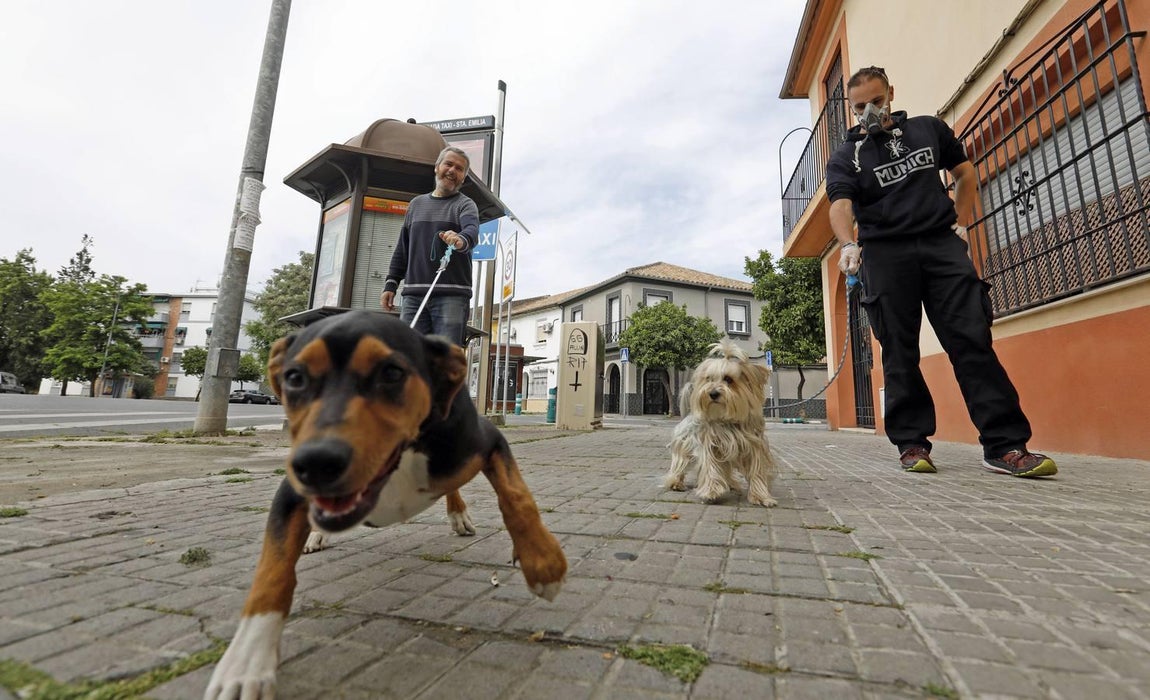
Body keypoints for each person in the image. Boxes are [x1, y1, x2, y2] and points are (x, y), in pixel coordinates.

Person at [825, 66, 1057, 478]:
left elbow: (965, 173)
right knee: (899, 352)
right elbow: (840, 204)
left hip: (940, 244)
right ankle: (912, 444)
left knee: (972, 340)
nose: (869, 113)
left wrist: (961, 224)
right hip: (885, 253)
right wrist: (848, 243)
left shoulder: (928, 130)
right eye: (860, 107)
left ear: (891, 93)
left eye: (877, 102)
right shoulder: (847, 156)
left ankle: (1005, 446)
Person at [380, 146, 479, 346]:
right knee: (408, 357)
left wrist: (461, 240)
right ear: (437, 167)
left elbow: (472, 231)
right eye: (448, 164)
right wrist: (391, 283)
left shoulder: (465, 205)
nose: (452, 170)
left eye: (459, 169)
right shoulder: (415, 205)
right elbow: (403, 248)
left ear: (463, 178)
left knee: (444, 361)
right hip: (413, 297)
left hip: (452, 295)